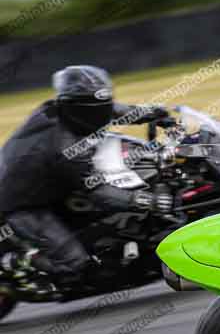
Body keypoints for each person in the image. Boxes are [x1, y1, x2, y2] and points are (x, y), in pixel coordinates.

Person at [0, 65, 175, 284]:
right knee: (77, 265)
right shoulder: (67, 148)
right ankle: (17, 263)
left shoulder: (62, 110)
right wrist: (148, 200)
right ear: (73, 106)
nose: (100, 114)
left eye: (101, 105)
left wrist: (154, 113)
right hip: (22, 204)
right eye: (92, 109)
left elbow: (111, 110)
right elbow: (99, 192)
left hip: (41, 178)